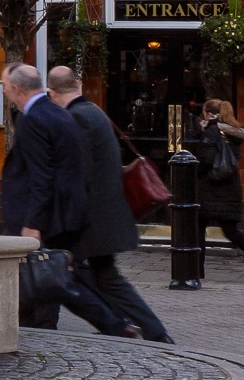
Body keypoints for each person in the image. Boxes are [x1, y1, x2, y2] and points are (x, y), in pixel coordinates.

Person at [57, 75, 173, 345]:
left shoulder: (78, 117)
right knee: (102, 277)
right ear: (79, 86)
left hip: (95, 220)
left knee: (92, 277)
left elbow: (80, 172)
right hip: (104, 217)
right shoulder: (94, 111)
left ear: (53, 93)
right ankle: (122, 327)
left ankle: (146, 331)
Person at [0, 60, 91, 331]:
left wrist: (33, 223)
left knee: (40, 276)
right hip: (61, 212)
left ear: (16, 89)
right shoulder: (57, 112)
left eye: (4, 87)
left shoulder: (34, 118)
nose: (4, 92)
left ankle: (40, 331)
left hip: (43, 215)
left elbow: (42, 175)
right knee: (48, 277)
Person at [193, 97, 244, 278]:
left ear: (209, 114)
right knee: (230, 231)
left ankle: (196, 270)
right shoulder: (233, 133)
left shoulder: (211, 131)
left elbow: (207, 160)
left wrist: (194, 171)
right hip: (230, 188)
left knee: (197, 228)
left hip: (211, 188)